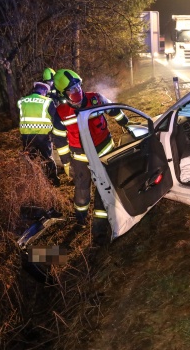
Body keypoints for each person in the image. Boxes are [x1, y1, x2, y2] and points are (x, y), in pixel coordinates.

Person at [51, 69, 129, 247]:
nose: (77, 91)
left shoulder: (96, 99)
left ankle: (99, 233)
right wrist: (66, 162)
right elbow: (59, 140)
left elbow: (115, 110)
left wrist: (127, 124)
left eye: (77, 85)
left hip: (105, 155)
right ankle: (80, 219)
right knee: (82, 191)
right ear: (64, 94)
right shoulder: (61, 113)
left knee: (104, 191)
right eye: (71, 89)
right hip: (81, 159)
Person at [17, 82, 60, 187]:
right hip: (43, 136)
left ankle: (32, 182)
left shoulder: (22, 101)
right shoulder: (47, 101)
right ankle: (53, 180)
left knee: (30, 160)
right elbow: (55, 118)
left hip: (27, 137)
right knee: (48, 158)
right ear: (44, 91)